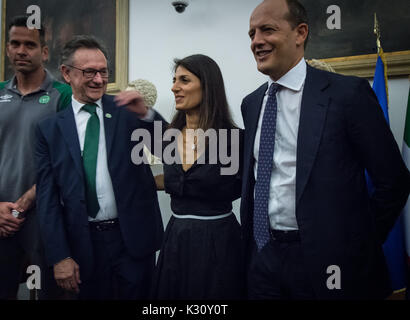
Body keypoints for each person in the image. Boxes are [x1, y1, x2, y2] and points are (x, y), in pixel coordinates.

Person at [240, 0, 410, 299]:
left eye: (267, 30)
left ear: (300, 32)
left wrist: (357, 244)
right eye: (252, 33)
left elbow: (393, 181)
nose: (257, 41)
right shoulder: (251, 103)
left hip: (331, 265)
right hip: (263, 260)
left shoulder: (348, 95)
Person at [35, 35, 164, 300]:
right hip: (82, 246)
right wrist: (60, 256)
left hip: (132, 243)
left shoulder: (127, 112)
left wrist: (147, 115)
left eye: (103, 72)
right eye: (89, 72)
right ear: (67, 74)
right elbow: (46, 197)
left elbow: (170, 151)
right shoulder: (49, 130)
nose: (98, 79)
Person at [0, 15, 72, 299]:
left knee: (45, 293)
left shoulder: (62, 95)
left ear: (44, 51)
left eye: (29, 45)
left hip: (43, 215)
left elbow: (61, 162)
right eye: (15, 43)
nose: (21, 50)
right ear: (7, 49)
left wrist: (22, 205)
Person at [148, 54, 244, 299]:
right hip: (177, 238)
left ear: (207, 85)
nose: (174, 87)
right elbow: (172, 180)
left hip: (220, 241)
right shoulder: (167, 138)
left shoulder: (235, 140)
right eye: (174, 80)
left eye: (184, 80)